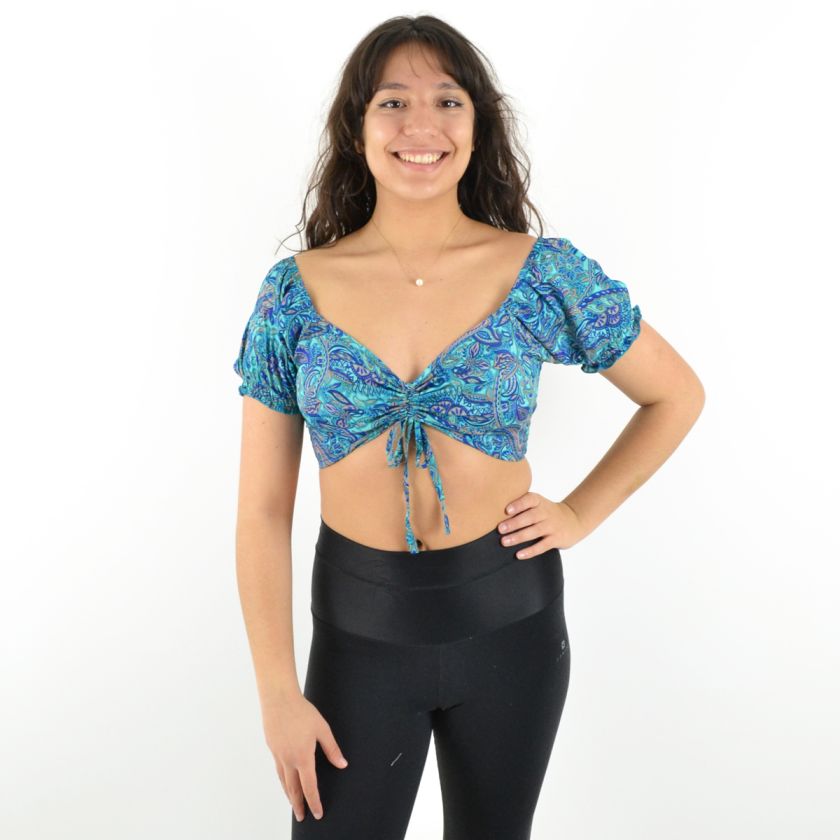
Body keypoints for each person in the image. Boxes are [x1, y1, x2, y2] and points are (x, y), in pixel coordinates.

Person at [232, 15, 704, 840]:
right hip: (359, 635)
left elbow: (675, 396)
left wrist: (579, 513)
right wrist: (277, 693)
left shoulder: (541, 273)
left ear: (479, 126)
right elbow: (264, 510)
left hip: (512, 624)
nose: (421, 125)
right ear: (357, 128)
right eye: (392, 102)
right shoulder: (293, 294)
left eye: (448, 101)